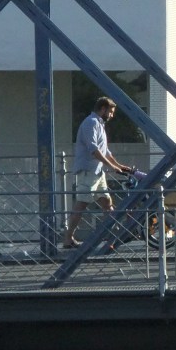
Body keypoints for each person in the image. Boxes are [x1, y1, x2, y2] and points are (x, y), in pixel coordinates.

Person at [63, 97, 134, 250]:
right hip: (88, 171)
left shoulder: (99, 125)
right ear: (102, 109)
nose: (112, 115)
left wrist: (119, 166)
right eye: (111, 111)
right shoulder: (91, 123)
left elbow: (105, 152)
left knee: (107, 204)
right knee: (81, 205)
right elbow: (93, 149)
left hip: (97, 172)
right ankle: (68, 238)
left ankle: (114, 236)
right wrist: (112, 167)